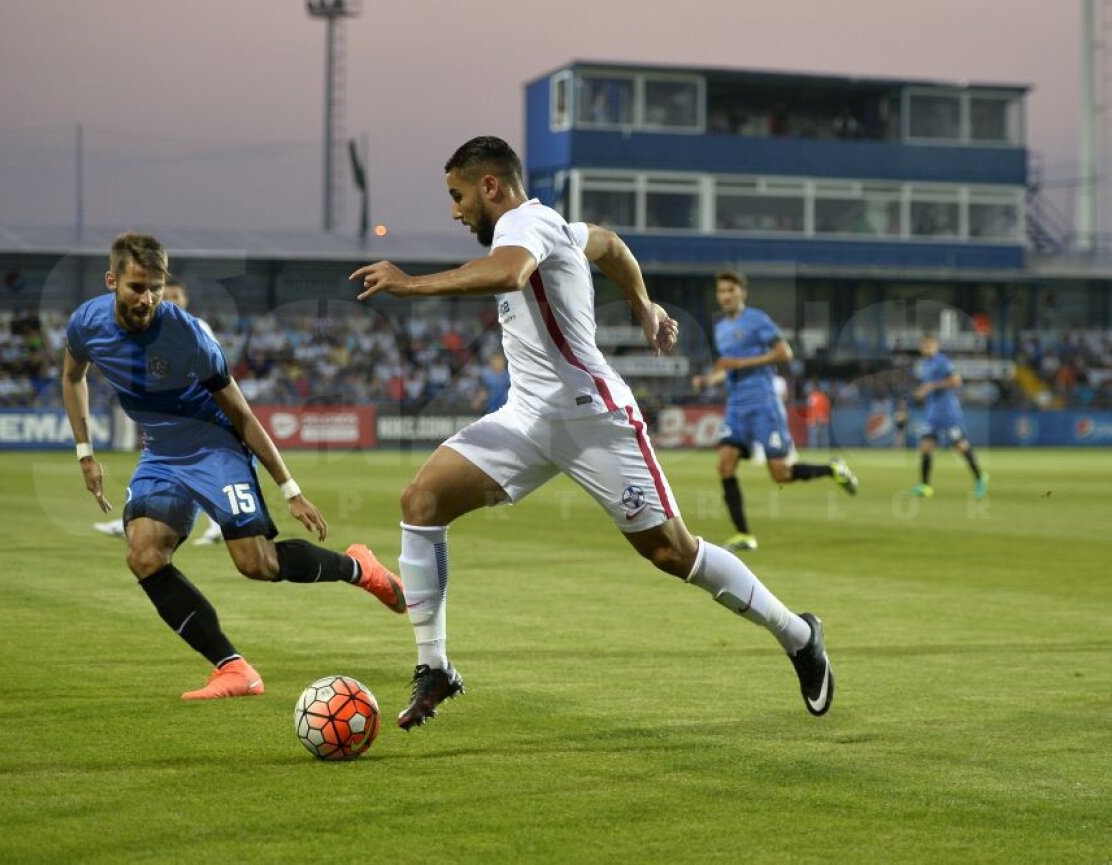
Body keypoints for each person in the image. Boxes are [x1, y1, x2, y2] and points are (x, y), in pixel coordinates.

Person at [351, 136, 834, 731]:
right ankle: (435, 667)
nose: (455, 211)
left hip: (594, 421)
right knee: (421, 502)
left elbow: (508, 274)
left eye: (458, 196)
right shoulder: (553, 225)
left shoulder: (522, 226)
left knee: (672, 553)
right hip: (527, 420)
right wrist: (645, 305)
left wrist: (410, 283)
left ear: (491, 186)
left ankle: (798, 634)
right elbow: (609, 243)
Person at [63, 232, 405, 700]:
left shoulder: (187, 336)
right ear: (111, 282)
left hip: (214, 446)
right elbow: (72, 375)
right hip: (161, 452)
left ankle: (359, 569)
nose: (148, 299)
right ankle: (233, 669)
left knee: (257, 564)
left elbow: (241, 414)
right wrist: (85, 451)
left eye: (156, 288)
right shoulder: (86, 323)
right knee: (143, 554)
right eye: (137, 287)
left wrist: (290, 489)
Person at [697, 270, 857, 552]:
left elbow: (784, 353)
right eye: (721, 292)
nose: (725, 296)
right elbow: (728, 367)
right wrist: (709, 380)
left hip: (764, 403)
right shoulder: (720, 327)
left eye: (730, 291)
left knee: (780, 474)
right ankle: (744, 534)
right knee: (724, 464)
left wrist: (741, 364)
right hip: (736, 406)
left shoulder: (757, 320)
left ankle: (833, 469)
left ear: (742, 293)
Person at [92, 277, 224, 546]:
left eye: (178, 297)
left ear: (185, 300)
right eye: (170, 297)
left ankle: (133, 519)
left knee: (180, 469)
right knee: (177, 470)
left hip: (194, 414)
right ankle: (136, 518)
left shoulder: (197, 327)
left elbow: (215, 370)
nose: (174, 301)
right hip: (165, 413)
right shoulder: (153, 331)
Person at [910, 334, 989, 498]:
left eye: (931, 345)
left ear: (937, 346)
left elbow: (956, 381)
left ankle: (980, 478)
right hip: (932, 414)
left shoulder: (942, 361)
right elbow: (928, 387)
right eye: (925, 345)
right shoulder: (925, 364)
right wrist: (922, 393)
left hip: (948, 413)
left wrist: (932, 386)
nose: (928, 348)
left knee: (961, 447)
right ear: (921, 348)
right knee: (925, 447)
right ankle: (925, 486)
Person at [806, 382, 831, 450]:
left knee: (818, 438)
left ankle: (816, 451)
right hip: (818, 419)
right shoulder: (823, 397)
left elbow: (826, 409)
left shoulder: (813, 397)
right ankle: (822, 450)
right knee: (820, 438)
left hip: (817, 420)